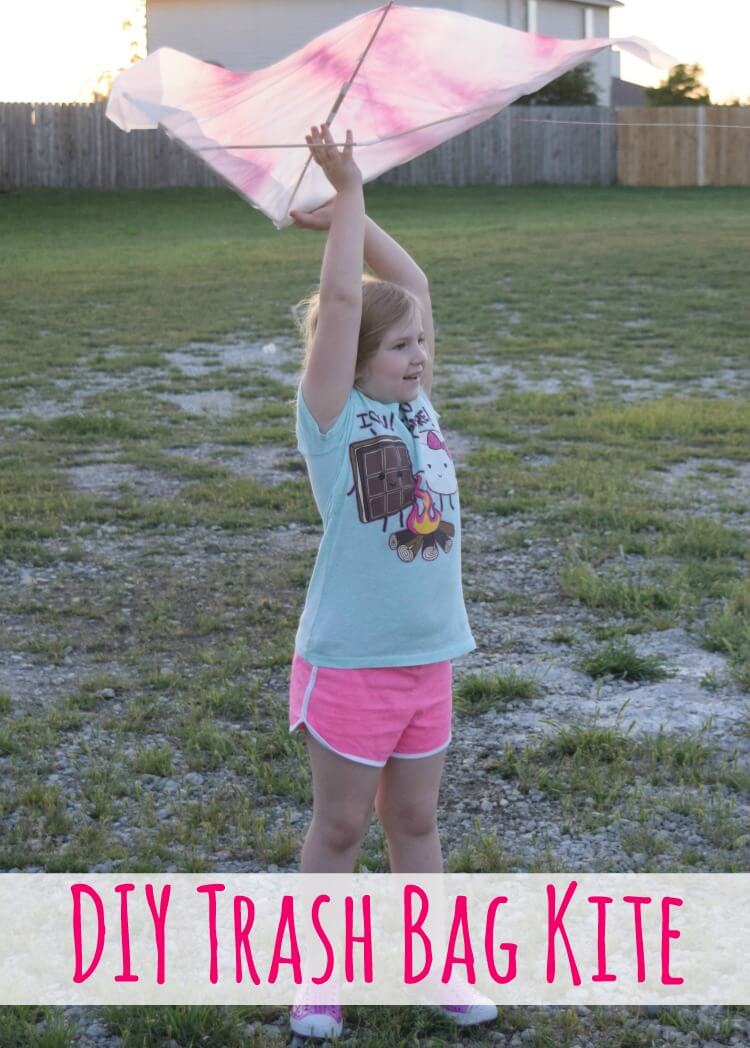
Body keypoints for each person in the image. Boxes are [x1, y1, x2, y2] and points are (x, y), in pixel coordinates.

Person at [286, 123, 497, 1040]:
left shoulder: (418, 405)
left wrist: (349, 212)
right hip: (353, 662)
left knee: (416, 822)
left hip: (429, 659)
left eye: (421, 345)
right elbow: (343, 301)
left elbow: (410, 287)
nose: (420, 355)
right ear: (360, 358)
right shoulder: (334, 418)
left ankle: (436, 964)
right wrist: (352, 190)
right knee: (339, 831)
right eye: (400, 346)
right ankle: (316, 980)